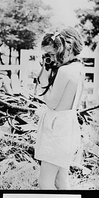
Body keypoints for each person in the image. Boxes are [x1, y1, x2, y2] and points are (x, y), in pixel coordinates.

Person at [35, 27, 84, 189]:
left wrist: (43, 80)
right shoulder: (78, 68)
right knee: (61, 180)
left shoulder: (64, 71)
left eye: (52, 53)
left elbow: (52, 103)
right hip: (67, 126)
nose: (51, 58)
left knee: (45, 182)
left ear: (67, 47)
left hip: (56, 129)